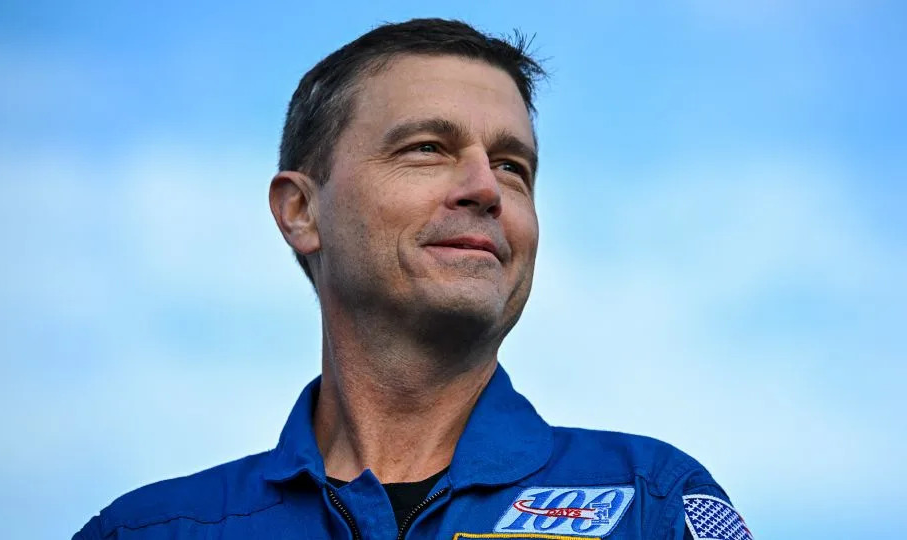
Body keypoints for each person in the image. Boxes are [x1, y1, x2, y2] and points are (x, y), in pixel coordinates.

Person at [74, 18, 752, 540]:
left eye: (512, 166)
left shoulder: (650, 504)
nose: (486, 188)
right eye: (427, 148)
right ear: (301, 210)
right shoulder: (149, 532)